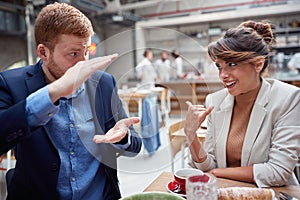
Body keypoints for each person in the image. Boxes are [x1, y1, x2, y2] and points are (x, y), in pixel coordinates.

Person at [0, 2, 142, 200]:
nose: (83, 63)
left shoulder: (103, 83)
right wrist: (55, 91)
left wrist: (123, 137)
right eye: (73, 54)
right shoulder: (11, 83)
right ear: (43, 52)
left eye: (87, 51)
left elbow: (135, 145)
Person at [184, 20, 300, 187]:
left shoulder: (287, 98)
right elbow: (209, 164)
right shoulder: (214, 101)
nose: (223, 75)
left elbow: (277, 171)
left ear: (258, 64)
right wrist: (191, 135)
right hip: (225, 192)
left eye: (232, 64)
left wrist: (217, 173)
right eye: (219, 66)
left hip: (270, 194)